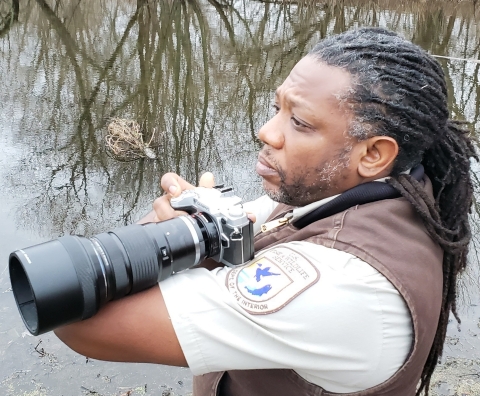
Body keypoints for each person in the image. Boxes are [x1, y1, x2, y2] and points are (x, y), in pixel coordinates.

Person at [54, 28, 476, 396]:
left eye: (301, 123)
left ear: (374, 154)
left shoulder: (340, 287)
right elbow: (255, 224)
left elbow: (76, 319)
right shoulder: (368, 192)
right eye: (279, 109)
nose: (267, 132)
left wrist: (167, 233)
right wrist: (198, 225)